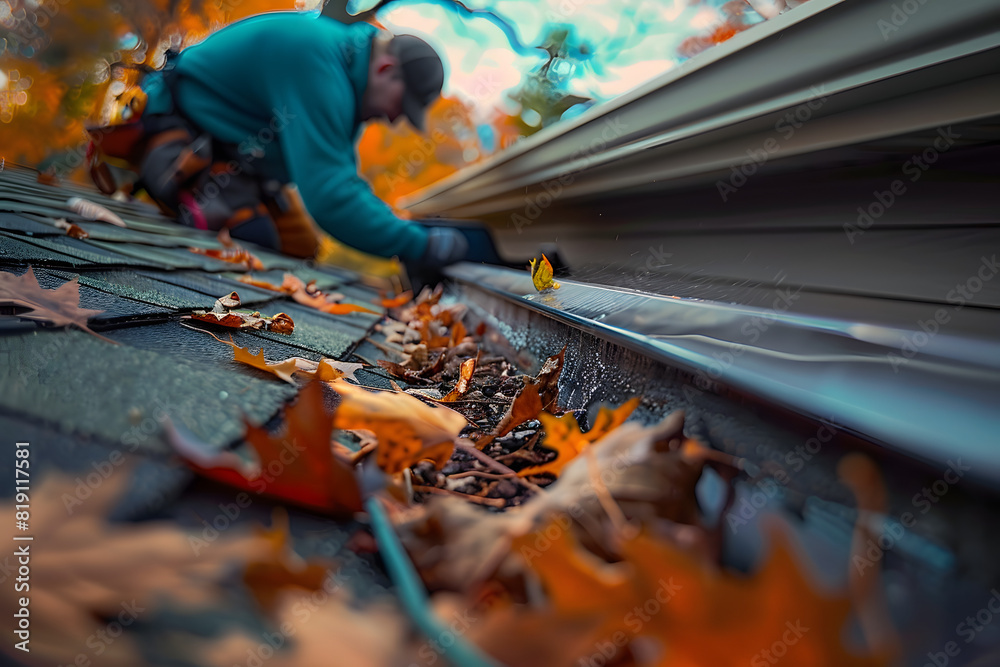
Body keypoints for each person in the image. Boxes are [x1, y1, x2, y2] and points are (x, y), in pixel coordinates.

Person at [90, 10, 468, 268]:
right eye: (401, 106)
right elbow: (332, 199)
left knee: (301, 247)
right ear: (386, 68)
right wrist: (422, 245)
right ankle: (188, 209)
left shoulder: (341, 67)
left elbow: (334, 178)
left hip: (236, 161)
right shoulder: (319, 62)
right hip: (180, 144)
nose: (393, 119)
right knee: (253, 241)